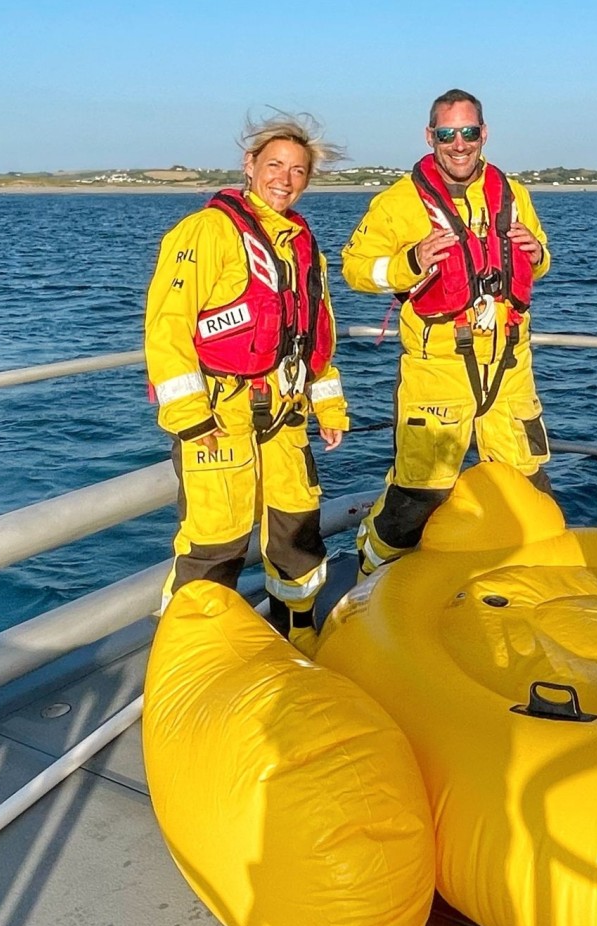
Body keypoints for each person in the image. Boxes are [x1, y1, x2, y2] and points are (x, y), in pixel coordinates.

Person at [144, 113, 349, 654]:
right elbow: (167, 327)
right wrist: (190, 417)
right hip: (219, 419)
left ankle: (297, 632)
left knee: (297, 533)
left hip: (286, 419)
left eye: (298, 171)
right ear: (250, 166)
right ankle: (191, 655)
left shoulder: (304, 245)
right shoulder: (206, 232)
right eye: (274, 165)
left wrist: (331, 408)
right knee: (215, 543)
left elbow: (313, 335)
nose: (284, 178)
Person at [342, 88, 552, 575]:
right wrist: (409, 262)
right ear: (430, 135)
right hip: (439, 372)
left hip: (509, 370)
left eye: (469, 132)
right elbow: (355, 269)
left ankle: (529, 583)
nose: (459, 144)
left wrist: (537, 255)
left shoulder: (513, 193)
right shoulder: (397, 203)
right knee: (419, 496)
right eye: (447, 134)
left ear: (484, 133)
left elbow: (539, 258)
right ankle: (369, 575)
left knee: (529, 487)